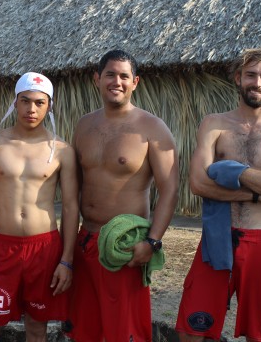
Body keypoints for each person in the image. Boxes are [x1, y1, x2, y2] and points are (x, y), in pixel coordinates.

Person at [175, 48, 261, 342]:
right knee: (191, 330)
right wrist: (258, 195)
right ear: (238, 78)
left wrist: (236, 172)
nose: (257, 82)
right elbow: (198, 184)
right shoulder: (214, 124)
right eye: (250, 75)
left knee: (257, 334)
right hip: (217, 236)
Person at [67, 49, 179, 342]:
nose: (116, 81)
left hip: (125, 247)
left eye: (124, 76)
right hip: (85, 241)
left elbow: (169, 190)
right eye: (110, 74)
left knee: (125, 333)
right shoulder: (83, 125)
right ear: (97, 79)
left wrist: (152, 242)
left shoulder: (152, 128)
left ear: (135, 82)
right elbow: (72, 190)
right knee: (84, 331)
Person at [0, 72, 79, 342]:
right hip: (3, 248)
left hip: (44, 248)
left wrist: (66, 260)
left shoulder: (61, 150)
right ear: (15, 102)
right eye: (25, 101)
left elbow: (70, 206)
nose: (32, 109)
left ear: (49, 105)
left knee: (37, 328)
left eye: (40, 103)